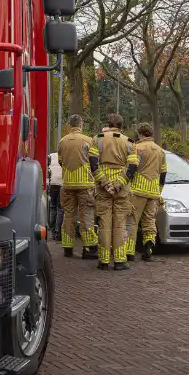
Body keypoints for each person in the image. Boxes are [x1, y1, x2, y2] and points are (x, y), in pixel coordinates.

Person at [94, 113, 138, 271]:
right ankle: (120, 260)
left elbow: (93, 164)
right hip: (121, 189)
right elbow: (132, 167)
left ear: (108, 123)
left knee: (104, 224)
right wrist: (119, 184)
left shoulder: (97, 139)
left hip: (102, 188)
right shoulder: (129, 142)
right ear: (121, 126)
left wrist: (105, 184)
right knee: (119, 225)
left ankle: (104, 261)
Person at [56, 114, 99, 259]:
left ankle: (68, 248)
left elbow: (61, 161)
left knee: (68, 215)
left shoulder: (62, 141)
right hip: (85, 184)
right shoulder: (89, 140)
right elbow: (94, 162)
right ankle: (89, 249)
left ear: (70, 125)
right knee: (86, 215)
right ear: (81, 125)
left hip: (67, 183)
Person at [126, 122, 167, 262]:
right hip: (153, 192)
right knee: (149, 221)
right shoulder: (160, 151)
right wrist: (159, 191)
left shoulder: (137, 148)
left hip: (138, 190)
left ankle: (129, 252)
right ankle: (149, 247)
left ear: (140, 134)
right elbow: (163, 174)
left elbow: (132, 168)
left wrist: (126, 185)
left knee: (132, 221)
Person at [47, 151, 62, 241]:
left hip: (52, 184)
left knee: (52, 207)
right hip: (61, 184)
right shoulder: (65, 154)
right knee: (60, 208)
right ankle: (58, 232)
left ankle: (52, 232)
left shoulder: (50, 156)